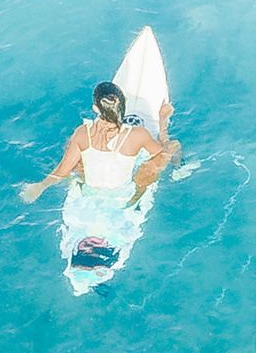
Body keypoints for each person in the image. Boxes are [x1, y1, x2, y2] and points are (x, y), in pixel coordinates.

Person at [21, 81, 180, 270]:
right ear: (122, 106)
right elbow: (160, 152)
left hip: (88, 195)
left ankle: (87, 260)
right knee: (173, 147)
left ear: (95, 108)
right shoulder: (138, 135)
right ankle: (180, 170)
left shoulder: (82, 133)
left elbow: (62, 171)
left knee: (72, 152)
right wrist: (163, 123)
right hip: (123, 197)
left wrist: (39, 186)